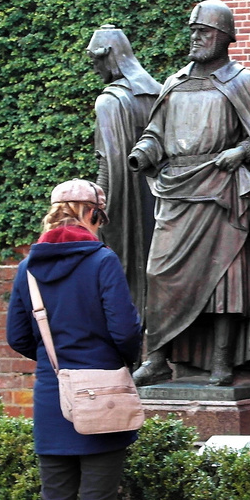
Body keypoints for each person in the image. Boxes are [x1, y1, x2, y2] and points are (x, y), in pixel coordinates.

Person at [127, 2, 250, 387]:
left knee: (224, 280)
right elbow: (156, 133)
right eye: (193, 31)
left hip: (222, 191)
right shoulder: (175, 83)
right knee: (159, 274)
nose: (196, 38)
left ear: (225, 38)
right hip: (177, 192)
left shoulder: (243, 82)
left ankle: (222, 361)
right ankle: (157, 358)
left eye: (204, 32)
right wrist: (144, 151)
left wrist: (242, 151)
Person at [6, 180, 140, 500]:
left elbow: (18, 337)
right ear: (94, 215)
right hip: (100, 394)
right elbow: (125, 330)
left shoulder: (28, 268)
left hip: (51, 397)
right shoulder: (102, 261)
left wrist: (54, 363)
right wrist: (111, 358)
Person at [88, 25, 162, 319]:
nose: (94, 69)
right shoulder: (158, 92)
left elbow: (107, 161)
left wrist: (98, 206)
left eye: (95, 61)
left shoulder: (109, 101)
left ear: (108, 57)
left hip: (123, 207)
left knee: (124, 280)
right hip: (160, 202)